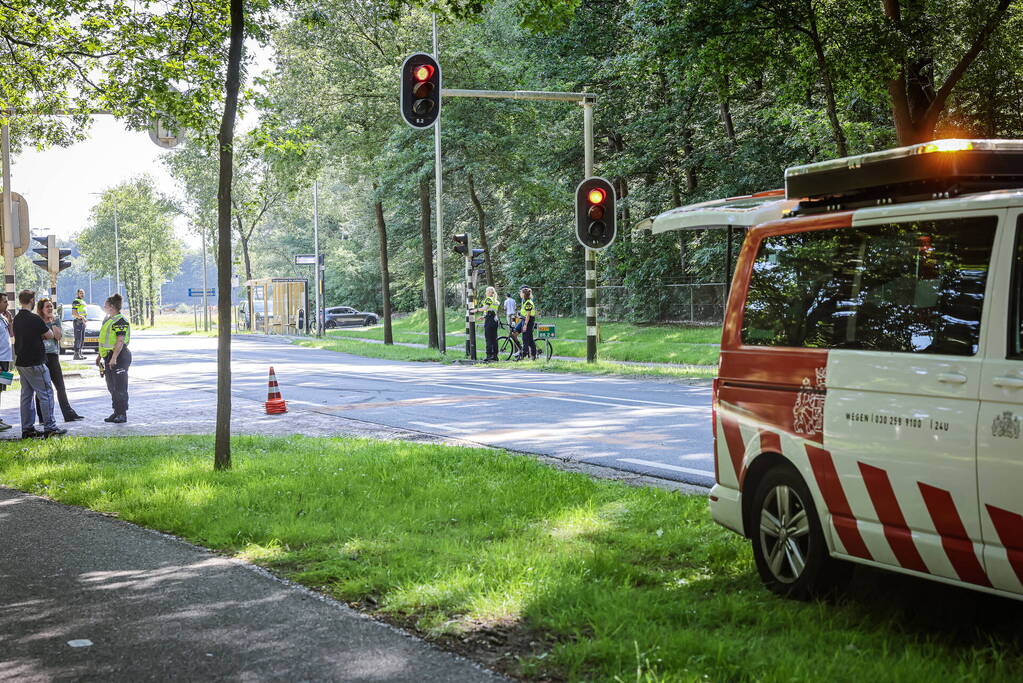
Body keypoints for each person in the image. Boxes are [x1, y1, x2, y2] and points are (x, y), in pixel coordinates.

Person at [12, 290, 66, 439]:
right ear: (32, 300)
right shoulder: (34, 319)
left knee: (26, 396)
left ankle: (27, 429)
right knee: (46, 394)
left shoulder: (17, 318)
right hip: (35, 361)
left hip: (21, 361)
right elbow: (50, 335)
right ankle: (50, 427)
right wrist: (40, 334)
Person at [35, 298, 84, 423]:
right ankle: (42, 417)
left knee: (60, 387)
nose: (50, 308)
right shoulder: (37, 321)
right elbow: (38, 338)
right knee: (42, 389)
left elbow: (57, 337)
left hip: (53, 356)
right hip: (40, 357)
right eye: (47, 306)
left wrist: (52, 323)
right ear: (41, 309)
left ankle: (68, 414)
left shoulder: (56, 320)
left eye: (51, 306)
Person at [96, 293, 130, 423]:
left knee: (120, 386)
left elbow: (120, 341)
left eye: (105, 305)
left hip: (119, 356)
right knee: (112, 387)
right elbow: (104, 341)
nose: (104, 307)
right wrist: (100, 356)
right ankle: (116, 411)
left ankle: (122, 414)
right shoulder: (108, 320)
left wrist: (114, 358)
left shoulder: (120, 321)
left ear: (111, 306)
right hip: (108, 356)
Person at [473, 286, 500, 361]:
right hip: (494, 320)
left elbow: (485, 308)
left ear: (490, 292)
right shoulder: (495, 300)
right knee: (494, 339)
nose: (486, 293)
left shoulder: (489, 299)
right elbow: (492, 311)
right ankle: (495, 356)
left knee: (488, 338)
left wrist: (476, 310)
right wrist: (484, 316)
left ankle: (489, 356)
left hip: (489, 320)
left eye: (487, 291)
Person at [0, 293, 12, 432]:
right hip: (0, 360)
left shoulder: (3, 318)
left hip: (5, 360)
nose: (7, 304)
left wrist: (10, 321)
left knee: (1, 389)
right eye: (4, 301)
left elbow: (11, 334)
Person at [519, 286, 537, 360]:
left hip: (528, 321)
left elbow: (528, 315)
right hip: (525, 320)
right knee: (529, 339)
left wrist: (525, 325)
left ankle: (523, 355)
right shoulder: (525, 301)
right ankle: (533, 355)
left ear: (524, 294)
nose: (520, 294)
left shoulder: (528, 303)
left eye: (521, 293)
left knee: (525, 338)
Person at [71, 288, 88, 360]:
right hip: (78, 321)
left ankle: (80, 353)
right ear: (77, 294)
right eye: (80, 293)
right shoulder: (76, 301)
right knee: (78, 338)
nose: (82, 294)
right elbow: (74, 313)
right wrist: (82, 317)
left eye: (83, 293)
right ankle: (76, 354)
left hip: (82, 321)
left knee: (82, 339)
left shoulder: (82, 301)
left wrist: (84, 320)